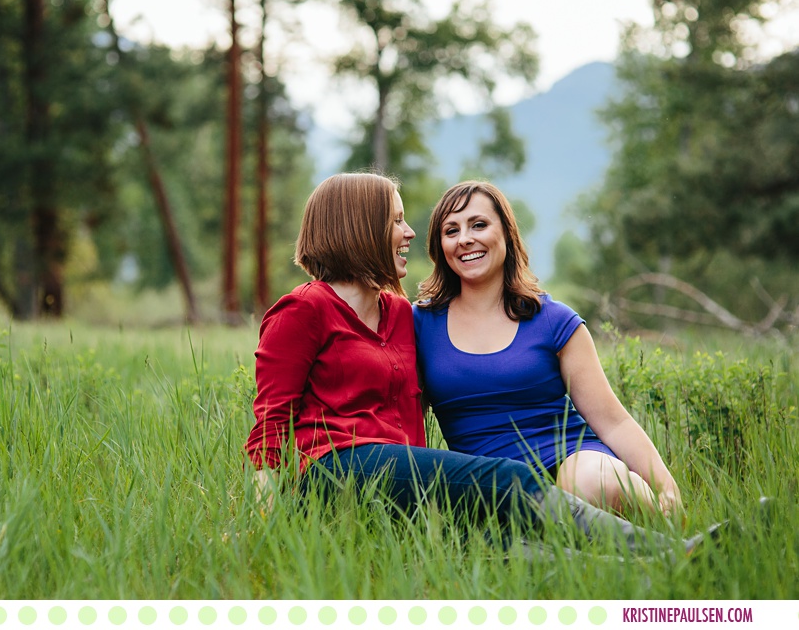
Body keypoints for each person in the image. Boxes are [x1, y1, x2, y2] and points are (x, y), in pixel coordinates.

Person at [245, 172, 705, 555]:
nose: (409, 234)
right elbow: (270, 423)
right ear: (360, 229)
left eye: (478, 225)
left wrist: (667, 487)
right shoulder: (306, 310)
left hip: (405, 473)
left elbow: (410, 408)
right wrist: (264, 525)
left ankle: (648, 572)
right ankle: (670, 552)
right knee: (509, 480)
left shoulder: (401, 315)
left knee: (490, 544)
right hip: (337, 466)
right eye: (398, 222)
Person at [414, 180, 681, 518]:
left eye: (479, 224)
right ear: (440, 246)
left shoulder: (553, 320)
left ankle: (669, 521)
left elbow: (612, 422)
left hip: (574, 459)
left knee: (591, 484)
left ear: (507, 234)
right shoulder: (420, 323)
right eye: (451, 230)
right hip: (490, 483)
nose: (465, 238)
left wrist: (668, 488)